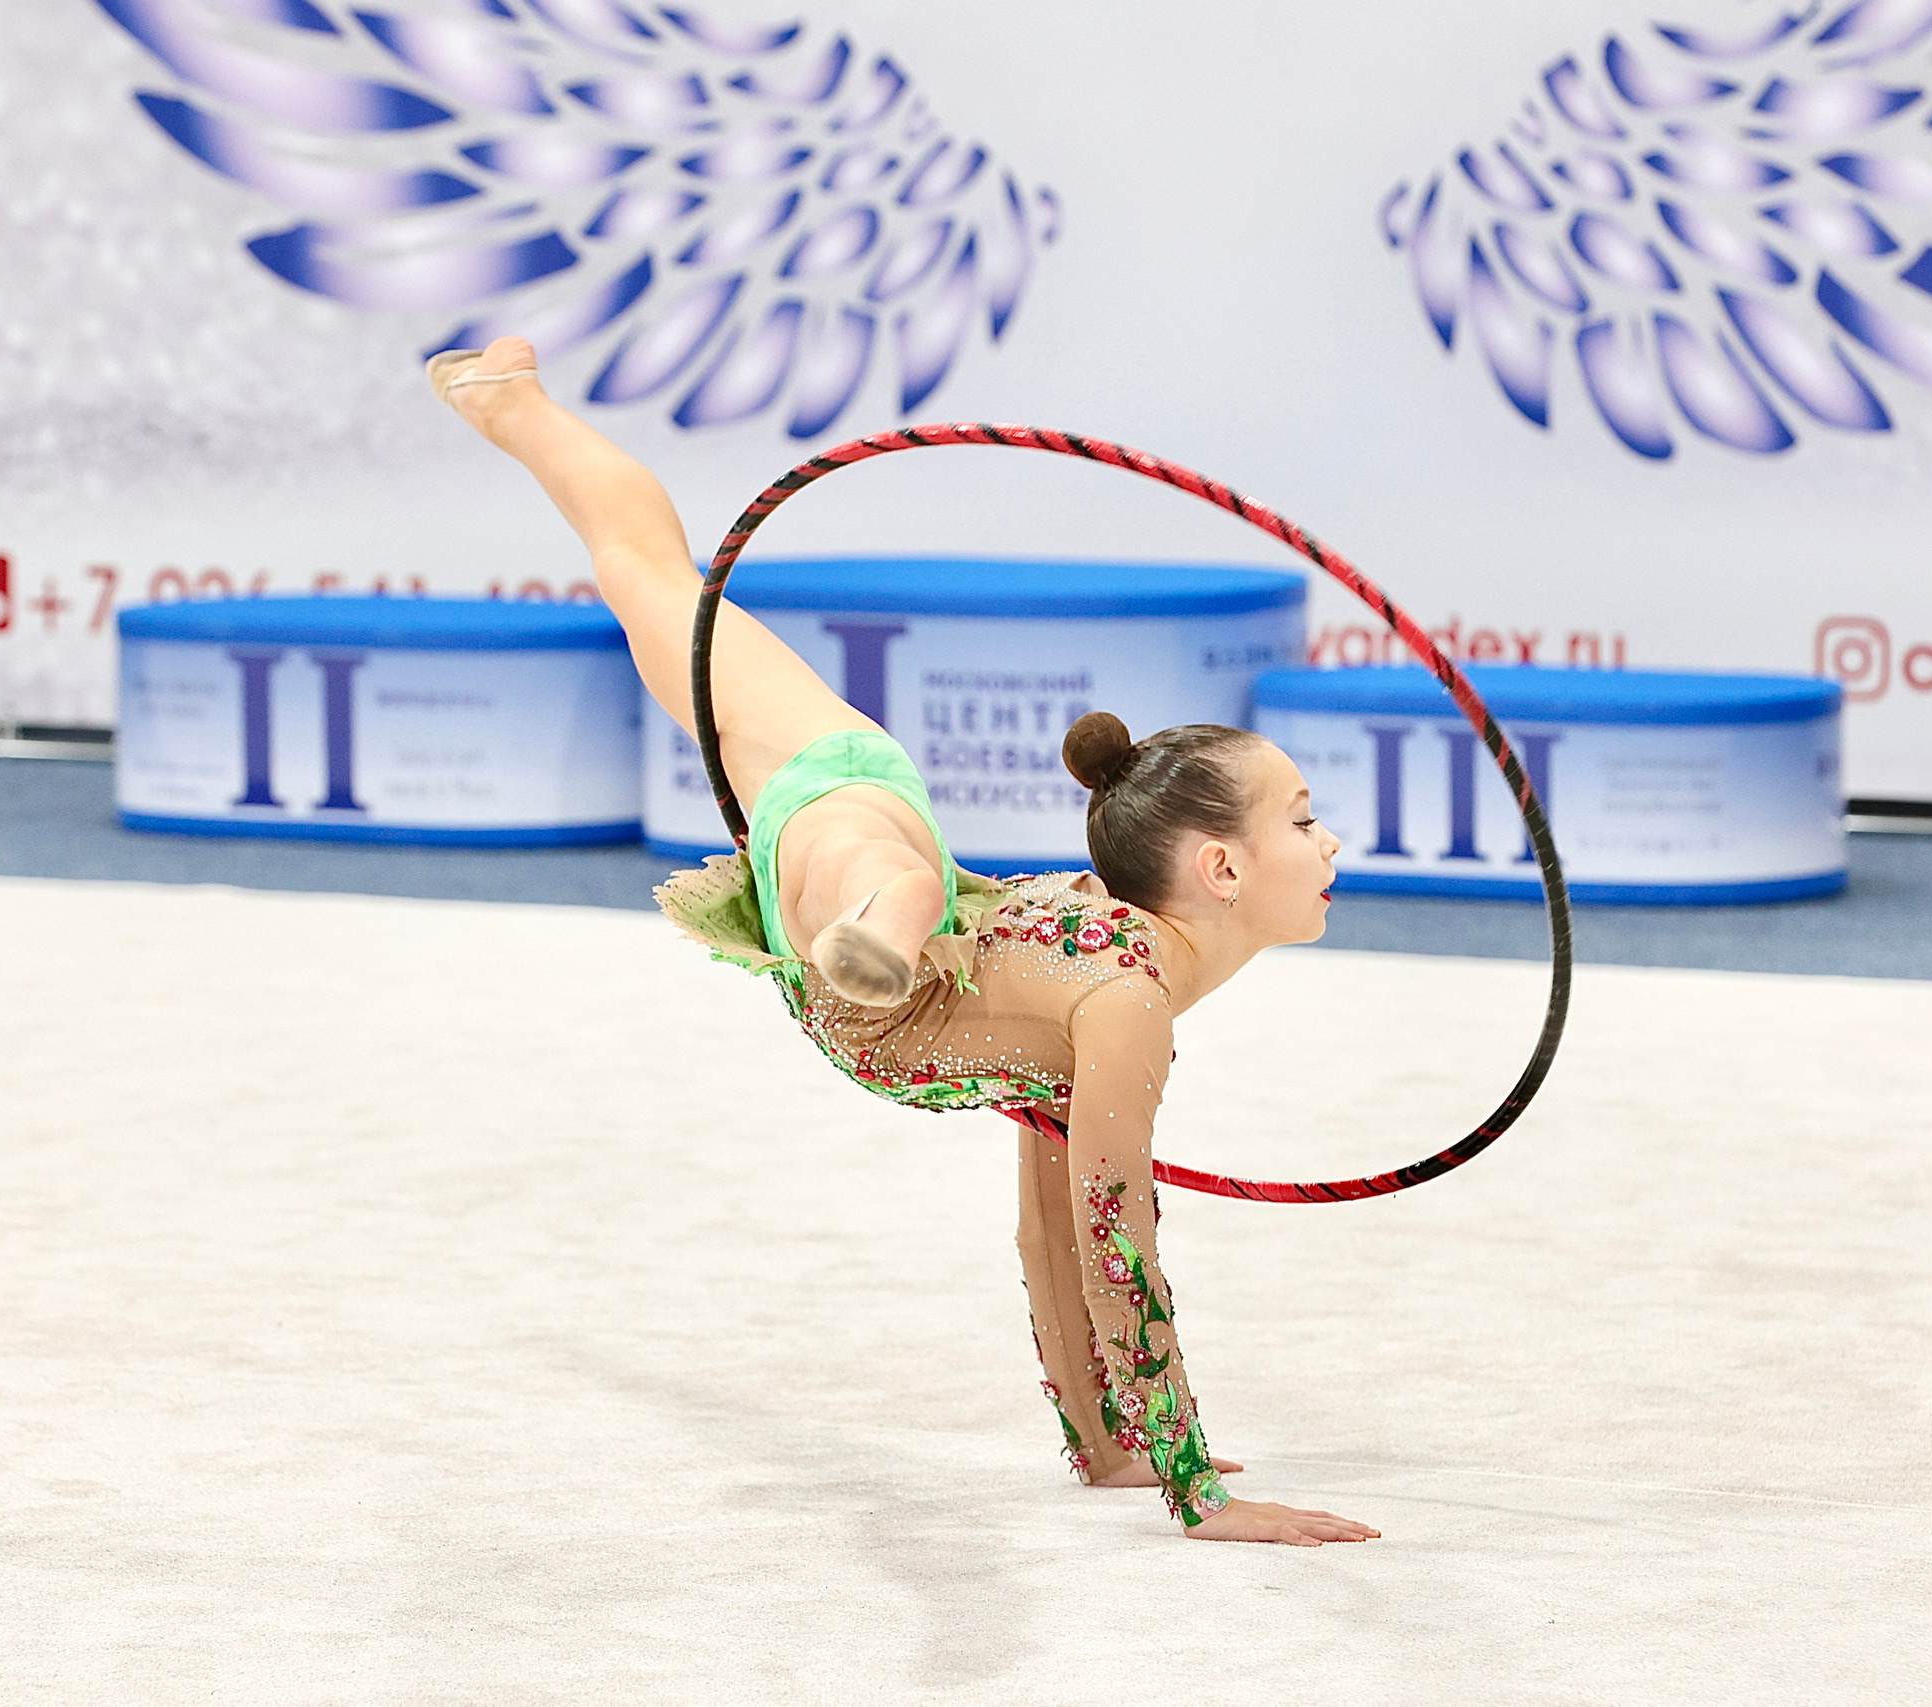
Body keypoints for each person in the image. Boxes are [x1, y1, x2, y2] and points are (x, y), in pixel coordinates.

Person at [432, 338, 1378, 1546]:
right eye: (1303, 818)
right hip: (863, 892)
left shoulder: (1121, 981)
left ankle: (514, 405)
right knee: (817, 780)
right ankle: (876, 924)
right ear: (1223, 869)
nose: (1331, 841)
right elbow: (1112, 1232)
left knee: (659, 589)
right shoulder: (1132, 1001)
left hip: (865, 829)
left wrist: (1105, 1443)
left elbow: (1053, 1212)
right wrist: (1197, 1485)